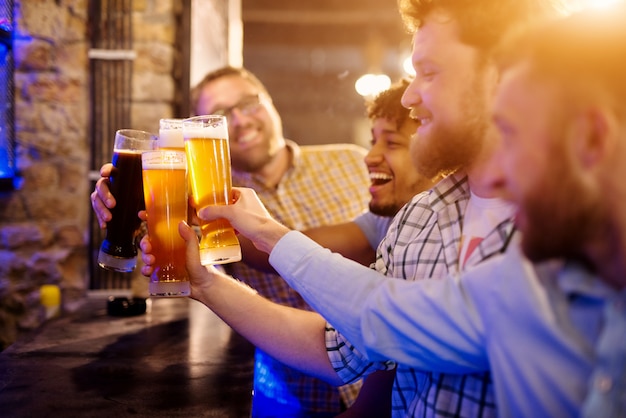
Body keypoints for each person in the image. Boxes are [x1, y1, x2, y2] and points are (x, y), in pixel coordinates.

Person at [179, 5, 626, 416]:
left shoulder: (547, 253)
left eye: (427, 72)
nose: (409, 96)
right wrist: (208, 276)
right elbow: (373, 320)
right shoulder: (433, 225)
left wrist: (262, 237)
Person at [92, 70, 435, 416]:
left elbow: (319, 250)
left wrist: (252, 229)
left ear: (270, 101)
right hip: (290, 390)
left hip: (368, 380)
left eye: (247, 103)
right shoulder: (204, 187)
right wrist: (142, 208)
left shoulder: (353, 164)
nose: (240, 120)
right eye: (223, 113)